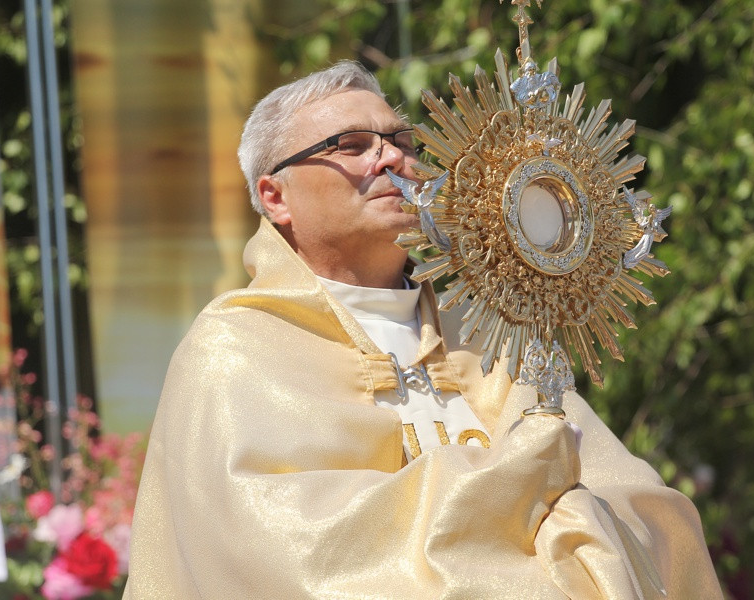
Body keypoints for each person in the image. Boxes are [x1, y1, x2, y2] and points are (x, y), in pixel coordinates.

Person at [123, 61, 723, 599]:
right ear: (274, 196)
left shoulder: (489, 328)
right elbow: (286, 553)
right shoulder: (233, 349)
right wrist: (515, 482)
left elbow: (641, 505)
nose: (391, 159)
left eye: (401, 140)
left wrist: (570, 538)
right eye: (350, 145)